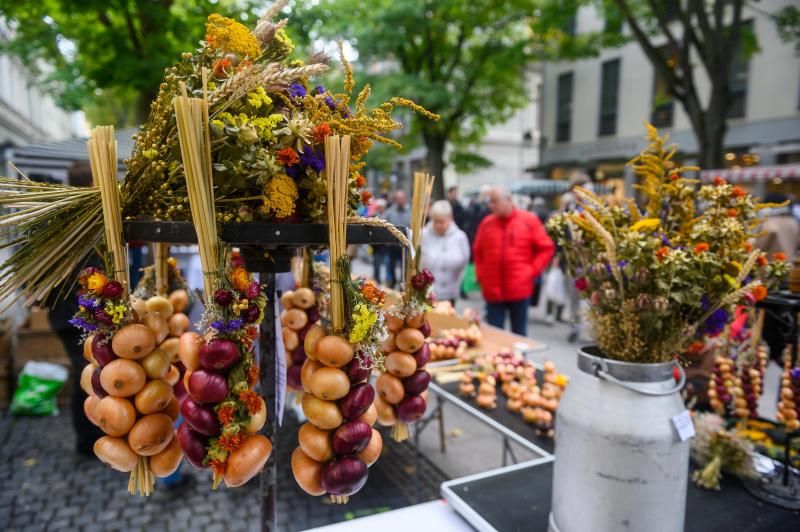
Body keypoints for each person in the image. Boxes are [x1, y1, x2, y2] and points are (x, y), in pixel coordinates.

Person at [46, 161, 104, 456]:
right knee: (87, 376)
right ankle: (89, 440)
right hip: (73, 315)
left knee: (90, 374)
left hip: (71, 313)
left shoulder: (74, 218)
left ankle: (95, 435)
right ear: (93, 183)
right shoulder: (75, 221)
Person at [473, 186, 555, 336]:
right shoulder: (487, 223)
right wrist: (481, 276)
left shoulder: (528, 220)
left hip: (519, 289)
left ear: (508, 200)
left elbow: (546, 248)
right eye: (490, 201)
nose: (491, 205)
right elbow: (478, 252)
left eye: (495, 201)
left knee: (519, 336)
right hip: (493, 290)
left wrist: (531, 271)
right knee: (494, 335)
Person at [421, 200, 470, 306]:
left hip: (451, 292)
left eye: (442, 222)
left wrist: (458, 282)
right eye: (435, 221)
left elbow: (465, 261)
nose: (438, 225)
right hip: (427, 293)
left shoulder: (460, 237)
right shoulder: (423, 235)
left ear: (450, 219)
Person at [384, 190, 411, 288]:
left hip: (405, 244)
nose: (400, 201)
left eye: (401, 199)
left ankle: (402, 284)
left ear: (405, 199)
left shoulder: (411, 212)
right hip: (392, 244)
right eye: (398, 199)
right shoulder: (389, 212)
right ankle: (392, 282)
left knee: (404, 265)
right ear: (395, 200)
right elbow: (384, 223)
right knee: (390, 264)